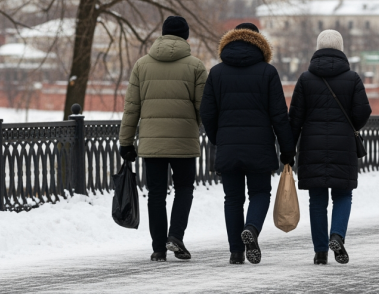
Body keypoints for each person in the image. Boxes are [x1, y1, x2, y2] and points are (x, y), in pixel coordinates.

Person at [200, 23, 295, 265]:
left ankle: (235, 252)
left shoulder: (217, 73)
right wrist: (287, 149)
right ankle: (251, 228)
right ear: (259, 43)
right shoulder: (268, 72)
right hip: (259, 147)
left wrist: (219, 139)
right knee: (260, 193)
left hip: (228, 146)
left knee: (232, 199)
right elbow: (279, 115)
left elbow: (207, 113)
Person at [118, 15, 208, 262]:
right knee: (184, 189)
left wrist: (126, 142)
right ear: (186, 37)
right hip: (184, 141)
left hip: (152, 142)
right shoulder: (196, 66)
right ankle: (175, 236)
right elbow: (203, 108)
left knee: (156, 194)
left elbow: (132, 108)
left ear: (162, 34)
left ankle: (158, 248)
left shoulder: (142, 65)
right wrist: (197, 127)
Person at [288, 30, 371, 266]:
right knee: (343, 194)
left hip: (312, 145)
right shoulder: (353, 78)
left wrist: (288, 149)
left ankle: (320, 252)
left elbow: (294, 118)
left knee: (317, 199)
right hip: (343, 144)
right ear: (341, 49)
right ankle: (337, 235)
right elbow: (363, 112)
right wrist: (348, 126)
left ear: (318, 48)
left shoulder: (305, 79)